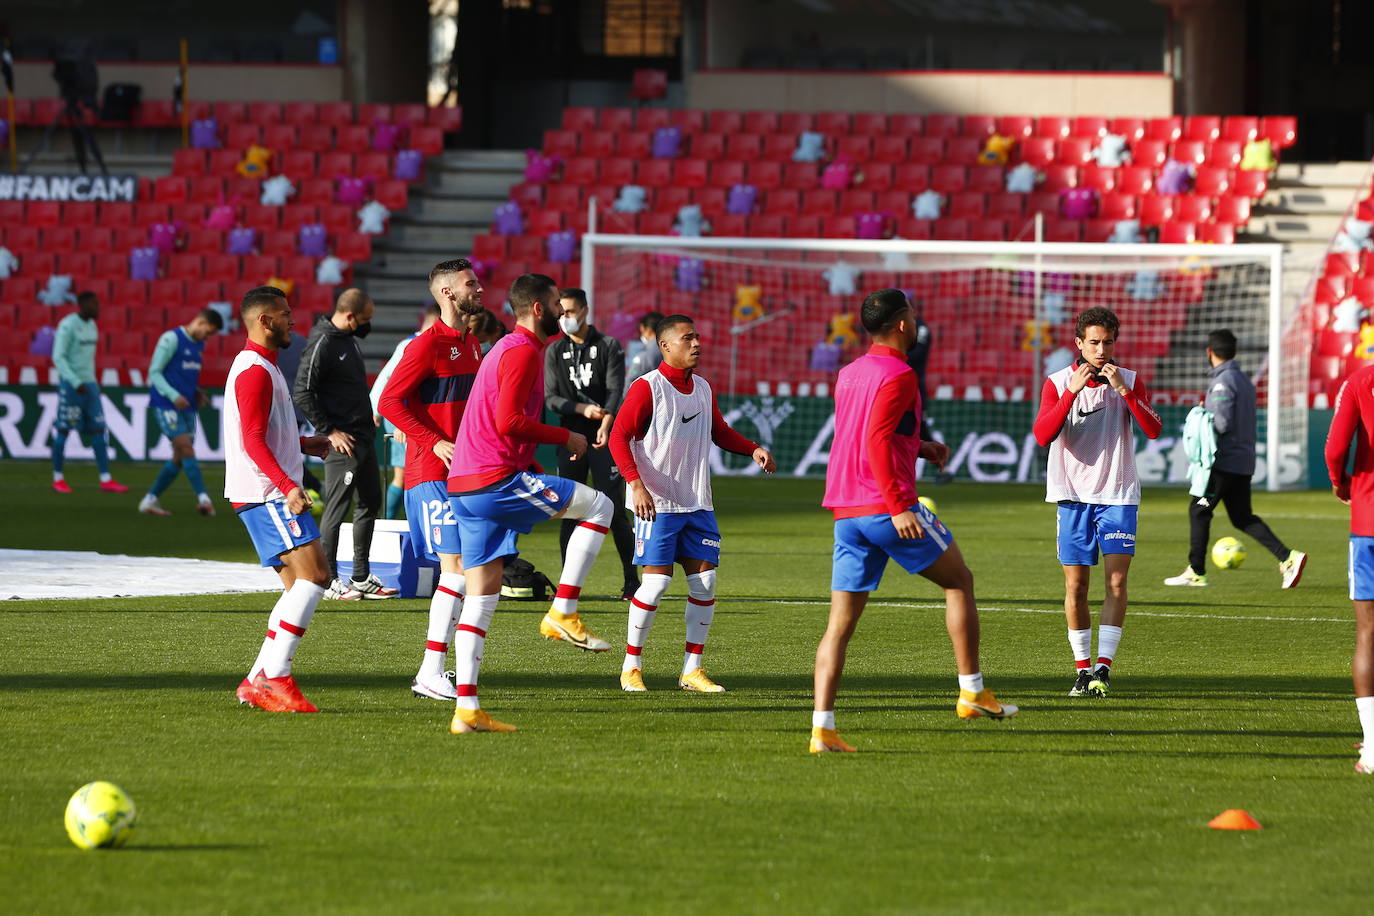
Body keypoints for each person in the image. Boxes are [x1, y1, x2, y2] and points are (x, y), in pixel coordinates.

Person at [810, 289, 1018, 754]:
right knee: (959, 581)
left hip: (846, 512)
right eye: (914, 314)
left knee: (839, 626)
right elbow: (878, 440)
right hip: (886, 507)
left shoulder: (849, 373)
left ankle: (822, 729)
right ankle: (972, 692)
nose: (918, 321)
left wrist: (920, 446)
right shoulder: (901, 373)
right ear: (903, 324)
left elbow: (863, 433)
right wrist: (901, 504)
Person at [445, 273, 617, 733]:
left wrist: (531, 466)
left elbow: (490, 421)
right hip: (493, 481)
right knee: (602, 507)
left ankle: (467, 711)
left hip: (466, 484)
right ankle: (563, 611)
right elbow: (508, 421)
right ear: (538, 309)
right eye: (557, 305)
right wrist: (567, 436)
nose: (565, 313)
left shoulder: (506, 350)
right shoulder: (520, 350)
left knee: (480, 599)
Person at [609, 314, 775, 693]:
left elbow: (719, 432)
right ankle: (631, 666)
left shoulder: (702, 387)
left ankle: (692, 670)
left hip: (697, 502)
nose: (696, 344)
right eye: (688, 338)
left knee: (705, 583)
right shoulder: (646, 388)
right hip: (657, 504)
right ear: (665, 346)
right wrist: (635, 486)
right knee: (653, 587)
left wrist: (753, 449)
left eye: (697, 337)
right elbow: (619, 438)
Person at [1032, 307, 1162, 699]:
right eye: (1093, 343)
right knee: (1076, 586)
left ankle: (1103, 670)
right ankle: (1081, 670)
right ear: (1078, 344)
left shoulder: (1130, 381)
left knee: (1117, 582)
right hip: (1072, 497)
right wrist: (1072, 390)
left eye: (1107, 342)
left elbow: (1154, 429)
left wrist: (1123, 390)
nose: (1101, 350)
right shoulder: (1057, 382)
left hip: (1118, 495)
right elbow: (1042, 435)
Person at [378, 260, 485, 701]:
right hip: (432, 474)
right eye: (469, 284)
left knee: (470, 570)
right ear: (446, 294)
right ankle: (430, 669)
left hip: (466, 473)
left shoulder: (473, 344)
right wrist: (433, 440)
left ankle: (442, 666)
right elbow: (388, 401)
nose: (478, 289)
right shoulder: (425, 347)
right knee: (456, 569)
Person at [225, 286, 335, 713]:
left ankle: (256, 679)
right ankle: (276, 678)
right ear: (265, 321)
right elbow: (252, 440)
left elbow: (263, 433)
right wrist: (289, 487)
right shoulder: (254, 369)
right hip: (267, 493)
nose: (294, 321)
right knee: (316, 576)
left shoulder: (262, 366)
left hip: (263, 491)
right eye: (286, 314)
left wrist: (305, 444)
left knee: (296, 588)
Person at [1163, 329, 1307, 589]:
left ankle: (1196, 571)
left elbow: (1222, 422)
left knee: (1199, 510)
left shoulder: (1223, 382)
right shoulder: (1242, 379)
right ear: (1234, 351)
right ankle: (1288, 557)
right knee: (1242, 517)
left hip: (1223, 462)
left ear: (1209, 352)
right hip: (1242, 461)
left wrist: (1201, 415)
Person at [294, 288, 397, 600]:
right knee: (336, 510)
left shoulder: (347, 339)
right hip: (344, 443)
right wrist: (330, 431)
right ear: (350, 315)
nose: (368, 325)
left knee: (370, 502)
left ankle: (361, 576)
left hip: (363, 436)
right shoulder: (323, 342)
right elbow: (302, 391)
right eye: (365, 319)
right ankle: (327, 581)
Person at [545, 287, 640, 601]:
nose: (566, 319)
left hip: (603, 437)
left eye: (571, 312)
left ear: (585, 311)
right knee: (567, 509)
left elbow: (616, 389)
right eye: (562, 313)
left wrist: (606, 421)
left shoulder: (609, 345)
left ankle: (631, 582)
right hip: (570, 438)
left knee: (613, 510)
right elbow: (551, 398)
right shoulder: (554, 351)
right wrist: (580, 409)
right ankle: (567, 586)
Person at [1324, 362, 1374, 774]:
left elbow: (1336, 448)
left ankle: (1373, 748)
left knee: (1368, 632)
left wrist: (1340, 482)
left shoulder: (1361, 380)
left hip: (1369, 523)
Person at [138, 308, 224, 516]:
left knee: (180, 456)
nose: (208, 338)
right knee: (186, 449)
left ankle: (149, 500)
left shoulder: (198, 345)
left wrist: (195, 392)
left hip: (187, 406)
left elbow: (183, 375)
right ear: (201, 322)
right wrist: (173, 395)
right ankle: (204, 499)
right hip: (166, 404)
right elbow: (154, 372)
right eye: (209, 332)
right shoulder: (171, 339)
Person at [50, 291, 128, 494]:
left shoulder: (92, 326)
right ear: (82, 305)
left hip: (90, 386)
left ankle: (106, 479)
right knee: (63, 431)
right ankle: (58, 479)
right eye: (95, 304)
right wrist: (75, 381)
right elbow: (58, 357)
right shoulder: (68, 326)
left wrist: (92, 382)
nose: (98, 308)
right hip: (72, 386)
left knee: (99, 430)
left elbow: (86, 359)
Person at [371, 304, 440, 520]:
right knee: (403, 475)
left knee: (415, 474)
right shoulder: (411, 345)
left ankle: (407, 521)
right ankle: (387, 523)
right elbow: (386, 379)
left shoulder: (428, 343)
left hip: (412, 416)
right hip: (402, 417)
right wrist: (378, 410)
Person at [276, 324, 324, 495]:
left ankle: (314, 487)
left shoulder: (271, 343)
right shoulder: (303, 343)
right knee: (286, 453)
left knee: (284, 455)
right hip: (297, 406)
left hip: (281, 406)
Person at [625, 311, 664, 384]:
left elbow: (631, 381)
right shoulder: (670, 350)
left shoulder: (644, 357)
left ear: (648, 330)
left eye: (641, 331)